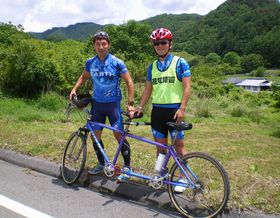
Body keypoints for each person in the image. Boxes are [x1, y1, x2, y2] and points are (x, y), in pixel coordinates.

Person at [69, 31, 135, 182]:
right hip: (97, 105)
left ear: (109, 45)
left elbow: (129, 82)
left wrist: (130, 103)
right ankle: (102, 163)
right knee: (95, 136)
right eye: (97, 44)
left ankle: (127, 168)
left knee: (118, 134)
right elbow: (84, 76)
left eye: (104, 43)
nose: (101, 46)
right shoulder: (90, 62)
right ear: (94, 45)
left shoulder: (117, 62)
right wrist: (74, 89)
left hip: (113, 105)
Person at [136, 28, 191, 192]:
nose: (160, 45)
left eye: (163, 42)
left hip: (174, 110)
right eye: (156, 43)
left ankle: (183, 177)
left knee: (179, 146)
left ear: (169, 44)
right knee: (160, 148)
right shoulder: (151, 67)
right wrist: (140, 107)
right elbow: (148, 89)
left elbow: (187, 87)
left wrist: (182, 108)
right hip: (157, 112)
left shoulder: (180, 62)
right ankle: (162, 174)